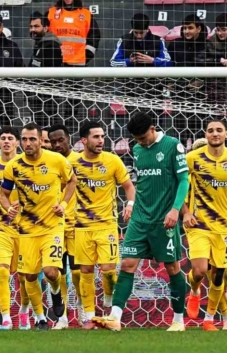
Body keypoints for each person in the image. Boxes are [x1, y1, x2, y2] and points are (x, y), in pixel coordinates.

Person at [93, 112, 189, 332]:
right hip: (139, 218)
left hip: (164, 219)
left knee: (172, 268)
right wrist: (131, 204)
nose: (141, 142)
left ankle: (178, 320)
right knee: (127, 264)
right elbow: (142, 183)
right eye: (136, 139)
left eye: (143, 137)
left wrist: (175, 210)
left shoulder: (172, 146)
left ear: (153, 129)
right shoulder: (137, 150)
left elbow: (184, 180)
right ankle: (115, 318)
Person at [0, 123, 77, 330]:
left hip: (52, 227)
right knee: (30, 276)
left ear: (41, 141)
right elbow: (3, 195)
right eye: (24, 139)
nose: (28, 143)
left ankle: (55, 293)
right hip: (26, 230)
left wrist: (63, 204)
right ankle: (40, 317)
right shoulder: (14, 166)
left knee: (51, 271)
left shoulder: (56, 160)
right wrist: (8, 209)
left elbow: (72, 181)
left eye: (32, 139)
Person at [182, 120, 227, 331]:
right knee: (199, 270)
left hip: (224, 226)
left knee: (220, 274)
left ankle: (209, 319)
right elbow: (178, 188)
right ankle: (195, 292)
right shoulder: (192, 159)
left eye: (219, 130)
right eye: (211, 130)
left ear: (226, 134)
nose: (215, 134)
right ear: (206, 134)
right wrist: (185, 213)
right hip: (199, 224)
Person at [73, 121, 136, 330]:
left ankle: (109, 304)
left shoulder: (112, 160)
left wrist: (130, 204)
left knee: (108, 270)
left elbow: (129, 187)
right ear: (84, 141)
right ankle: (89, 317)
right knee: (86, 271)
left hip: (107, 225)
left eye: (102, 136)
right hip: (81, 226)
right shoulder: (73, 164)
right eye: (96, 137)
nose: (101, 140)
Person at [0, 126, 31, 330]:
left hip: (25, 228)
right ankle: (5, 317)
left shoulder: (26, 166)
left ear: (17, 143)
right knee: (2, 272)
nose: (6, 141)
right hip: (0, 227)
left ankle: (24, 312)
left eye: (10, 138)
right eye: (3, 138)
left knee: (25, 276)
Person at [48, 124, 83, 329]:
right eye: (53, 142)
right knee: (58, 269)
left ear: (69, 138)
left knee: (78, 270)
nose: (57, 144)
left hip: (78, 223)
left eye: (61, 140)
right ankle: (62, 317)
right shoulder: (50, 162)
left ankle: (81, 306)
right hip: (56, 224)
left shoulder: (80, 160)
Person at [48, 0, 101, 66]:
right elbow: (43, 31)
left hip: (78, 62)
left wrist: (88, 54)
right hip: (54, 61)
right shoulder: (51, 12)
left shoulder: (86, 14)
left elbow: (94, 35)